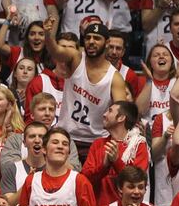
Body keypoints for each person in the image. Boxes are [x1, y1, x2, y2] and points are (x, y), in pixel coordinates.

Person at [45, 19, 127, 161]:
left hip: (95, 141)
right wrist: (48, 35)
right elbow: (56, 52)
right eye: (88, 37)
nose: (91, 41)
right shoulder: (76, 58)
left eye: (97, 38)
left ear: (107, 43)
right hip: (66, 136)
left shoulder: (114, 78)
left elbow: (121, 113)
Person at [81, 101, 149, 206]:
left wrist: (116, 161)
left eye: (110, 111)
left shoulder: (138, 145)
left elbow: (136, 181)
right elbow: (85, 179)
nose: (104, 114)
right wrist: (104, 166)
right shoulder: (98, 144)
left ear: (121, 118)